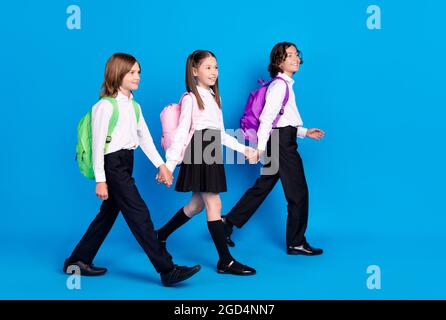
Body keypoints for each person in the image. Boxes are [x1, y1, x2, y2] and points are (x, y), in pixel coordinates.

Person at [64, 53, 200, 287]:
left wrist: (162, 165)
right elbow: (98, 146)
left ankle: (77, 261)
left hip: (127, 162)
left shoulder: (134, 107)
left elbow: (144, 138)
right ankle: (167, 269)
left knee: (107, 215)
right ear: (118, 74)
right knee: (140, 214)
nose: (138, 77)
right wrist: (100, 179)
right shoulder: (104, 106)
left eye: (139, 72)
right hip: (112, 164)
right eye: (132, 73)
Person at [156, 50, 257, 276]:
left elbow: (220, 134)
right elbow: (182, 133)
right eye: (208, 67)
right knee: (215, 205)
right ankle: (225, 261)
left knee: (196, 205)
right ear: (194, 71)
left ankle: (160, 235)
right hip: (200, 151)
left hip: (211, 150)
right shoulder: (191, 98)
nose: (213, 72)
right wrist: (169, 166)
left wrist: (244, 149)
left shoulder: (214, 97)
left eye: (216, 67)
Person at [222, 42, 325, 256]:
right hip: (281, 145)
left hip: (281, 139)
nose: (296, 59)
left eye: (297, 55)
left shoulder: (284, 85)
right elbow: (267, 119)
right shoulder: (279, 86)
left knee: (263, 187)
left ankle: (226, 223)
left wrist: (305, 132)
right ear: (279, 61)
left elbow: (282, 121)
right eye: (290, 56)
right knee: (298, 194)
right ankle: (296, 242)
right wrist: (259, 149)